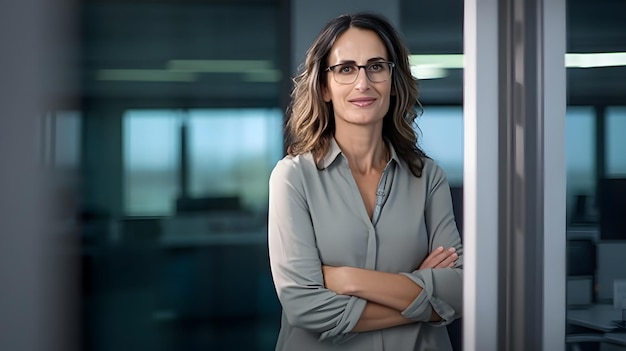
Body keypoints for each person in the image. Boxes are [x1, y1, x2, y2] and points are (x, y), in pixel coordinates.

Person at [268, 12, 463, 351]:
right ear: (325, 87)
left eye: (376, 67)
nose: (363, 83)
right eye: (345, 69)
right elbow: (304, 307)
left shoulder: (428, 177)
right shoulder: (293, 177)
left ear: (393, 79)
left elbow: (459, 291)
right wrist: (423, 295)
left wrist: (347, 279)